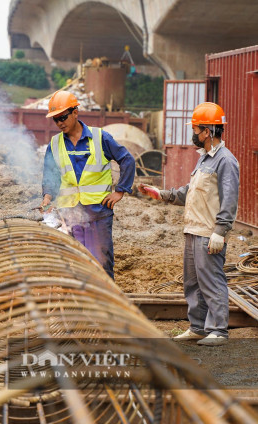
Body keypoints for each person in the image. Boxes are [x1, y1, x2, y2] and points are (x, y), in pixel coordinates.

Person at [138, 102, 239, 347]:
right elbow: (189, 192)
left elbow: (230, 199)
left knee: (212, 280)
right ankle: (198, 327)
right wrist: (162, 194)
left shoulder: (225, 161)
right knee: (192, 282)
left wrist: (221, 231)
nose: (193, 134)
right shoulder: (204, 159)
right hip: (193, 230)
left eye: (195, 129)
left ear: (208, 131)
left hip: (208, 232)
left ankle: (218, 330)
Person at [40, 91, 136, 279]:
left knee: (101, 262)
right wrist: (47, 197)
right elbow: (50, 175)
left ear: (75, 112)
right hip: (70, 214)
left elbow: (127, 160)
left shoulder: (100, 138)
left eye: (63, 117)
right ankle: (76, 305)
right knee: (74, 263)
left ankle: (104, 305)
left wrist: (121, 191)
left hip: (98, 213)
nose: (60, 123)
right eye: (55, 119)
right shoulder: (55, 143)